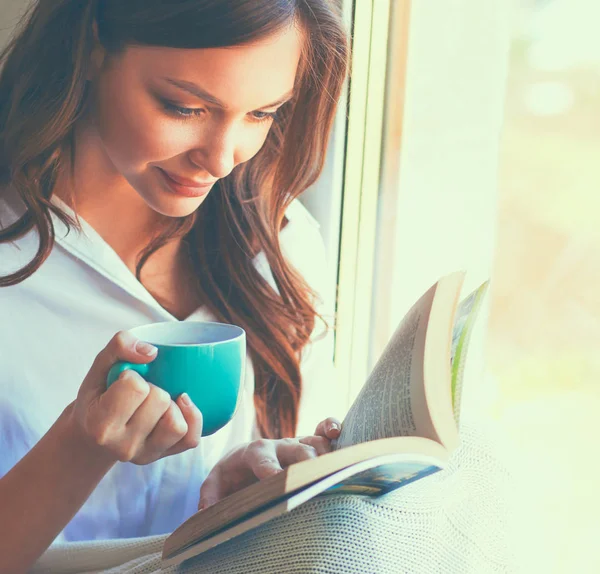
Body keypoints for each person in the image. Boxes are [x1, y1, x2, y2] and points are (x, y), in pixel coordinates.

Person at [0, 0, 349, 571]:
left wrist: (251, 486)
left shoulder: (279, 246)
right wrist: (79, 448)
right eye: (184, 107)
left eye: (262, 114)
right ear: (92, 44)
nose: (220, 158)